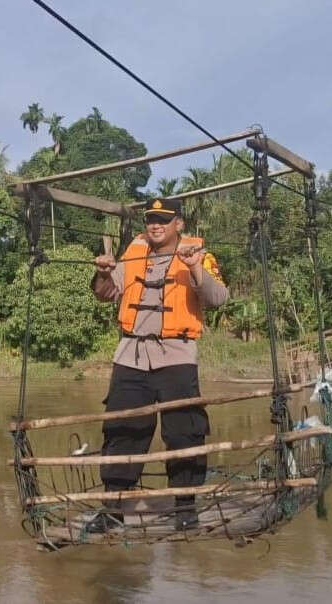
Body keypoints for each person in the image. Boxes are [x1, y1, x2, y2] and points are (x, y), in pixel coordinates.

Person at [88, 198, 228, 531]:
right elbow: (105, 293)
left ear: (178, 224)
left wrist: (194, 268)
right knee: (122, 431)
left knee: (184, 432)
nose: (155, 225)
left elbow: (218, 298)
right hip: (130, 357)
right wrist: (102, 273)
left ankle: (185, 508)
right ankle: (112, 510)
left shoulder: (200, 255)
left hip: (176, 356)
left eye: (164, 220)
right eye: (151, 219)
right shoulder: (133, 253)